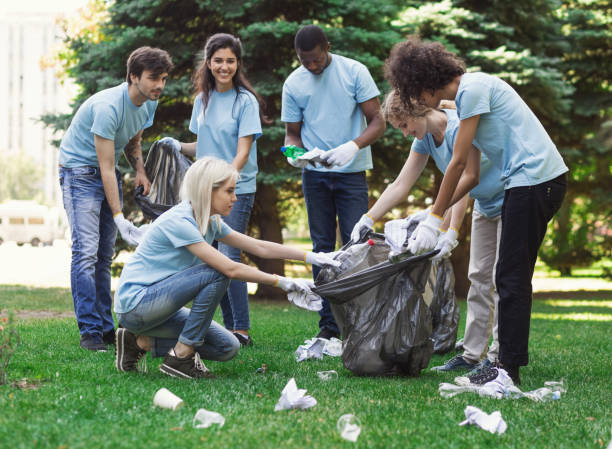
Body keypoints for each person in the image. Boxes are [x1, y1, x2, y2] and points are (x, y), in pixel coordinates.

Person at [384, 36, 568, 384]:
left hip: (534, 180)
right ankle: (500, 365)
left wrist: (437, 219)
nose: (418, 103)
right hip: (527, 183)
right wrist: (431, 214)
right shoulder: (465, 99)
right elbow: (470, 175)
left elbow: (455, 164)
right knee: (507, 276)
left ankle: (506, 370)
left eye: (414, 94)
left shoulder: (472, 89)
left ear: (425, 84)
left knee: (510, 278)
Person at [114, 157, 339, 379]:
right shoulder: (180, 221)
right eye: (229, 191)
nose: (235, 198)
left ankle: (138, 342)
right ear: (207, 191)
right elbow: (230, 269)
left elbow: (259, 247)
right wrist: (283, 282)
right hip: (136, 305)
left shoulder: (210, 222)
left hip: (161, 308)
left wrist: (315, 257)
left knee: (228, 347)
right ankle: (180, 357)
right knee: (217, 272)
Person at [352, 90, 506, 374]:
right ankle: (472, 355)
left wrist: (450, 229)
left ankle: (498, 356)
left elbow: (464, 177)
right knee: (478, 278)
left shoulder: (459, 126)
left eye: (404, 125)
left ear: (416, 112)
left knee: (501, 278)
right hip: (485, 204)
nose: (405, 133)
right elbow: (401, 184)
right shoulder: (424, 140)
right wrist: (368, 217)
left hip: (510, 198)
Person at [59, 47, 173, 352]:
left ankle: (107, 329)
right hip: (79, 172)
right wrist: (120, 217)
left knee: (104, 255)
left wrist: (140, 170)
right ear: (134, 76)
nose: (159, 85)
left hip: (103, 171)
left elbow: (133, 138)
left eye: (163, 78)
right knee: (85, 252)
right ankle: (90, 331)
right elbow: (106, 168)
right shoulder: (109, 106)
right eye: (153, 78)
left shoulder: (149, 103)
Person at [161, 34, 267, 347]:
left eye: (230, 61)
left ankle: (242, 329)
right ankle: (231, 326)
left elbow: (243, 150)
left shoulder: (245, 101)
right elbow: (202, 146)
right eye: (218, 60)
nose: (224, 66)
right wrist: (176, 144)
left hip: (236, 189)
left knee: (230, 254)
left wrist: (226, 182)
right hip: (205, 192)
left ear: (238, 64)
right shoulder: (202, 101)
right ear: (209, 63)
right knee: (212, 259)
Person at [281, 25, 386, 340]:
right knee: (322, 249)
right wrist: (295, 154)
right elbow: (292, 134)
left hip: (351, 174)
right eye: (304, 61)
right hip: (314, 176)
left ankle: (361, 321)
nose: (311, 66)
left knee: (355, 247)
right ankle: (329, 327)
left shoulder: (354, 72)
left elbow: (378, 121)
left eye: (316, 59)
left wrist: (353, 146)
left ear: (327, 46)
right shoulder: (293, 83)